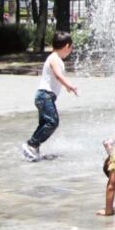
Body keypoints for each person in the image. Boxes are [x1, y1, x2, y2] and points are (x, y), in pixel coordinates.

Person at [21, 31, 78, 161]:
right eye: (71, 47)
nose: (71, 51)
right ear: (66, 46)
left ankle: (33, 147)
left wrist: (65, 86)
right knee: (52, 122)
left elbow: (56, 78)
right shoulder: (54, 58)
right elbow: (58, 75)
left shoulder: (55, 58)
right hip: (45, 96)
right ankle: (31, 144)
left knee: (44, 123)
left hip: (45, 96)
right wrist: (69, 85)